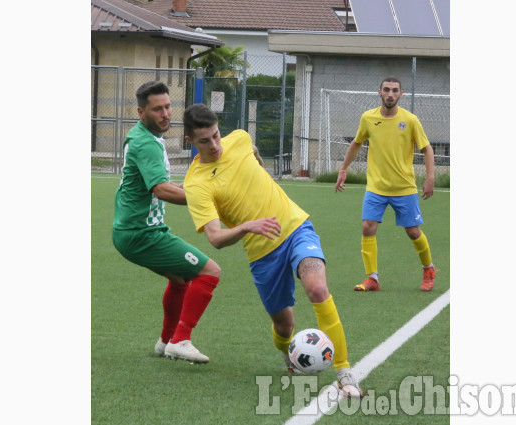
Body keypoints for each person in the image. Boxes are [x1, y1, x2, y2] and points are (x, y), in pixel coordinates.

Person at [182, 103, 363, 399]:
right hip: (261, 252)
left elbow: (252, 153)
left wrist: (262, 172)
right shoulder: (197, 184)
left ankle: (344, 371)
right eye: (205, 141)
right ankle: (288, 354)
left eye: (216, 135)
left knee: (317, 288)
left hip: (294, 226)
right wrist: (247, 226)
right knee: (284, 324)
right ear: (190, 141)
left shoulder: (238, 138)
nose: (214, 145)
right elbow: (215, 237)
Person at [111, 81, 222, 364]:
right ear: (141, 112)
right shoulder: (146, 143)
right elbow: (160, 189)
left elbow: (164, 184)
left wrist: (197, 191)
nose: (165, 114)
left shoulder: (143, 136)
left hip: (137, 231)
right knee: (210, 271)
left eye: (168, 106)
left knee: (180, 278)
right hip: (141, 233)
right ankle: (181, 340)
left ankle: (166, 340)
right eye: (157, 109)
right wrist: (208, 200)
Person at [335, 76, 437, 292]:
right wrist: (343, 169)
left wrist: (430, 177)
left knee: (413, 232)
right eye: (387, 90)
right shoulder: (368, 118)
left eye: (395, 90)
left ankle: (428, 269)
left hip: (404, 188)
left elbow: (427, 148)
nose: (390, 94)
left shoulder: (410, 120)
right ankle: (372, 278)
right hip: (376, 187)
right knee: (367, 227)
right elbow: (356, 143)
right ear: (379, 92)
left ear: (401, 94)